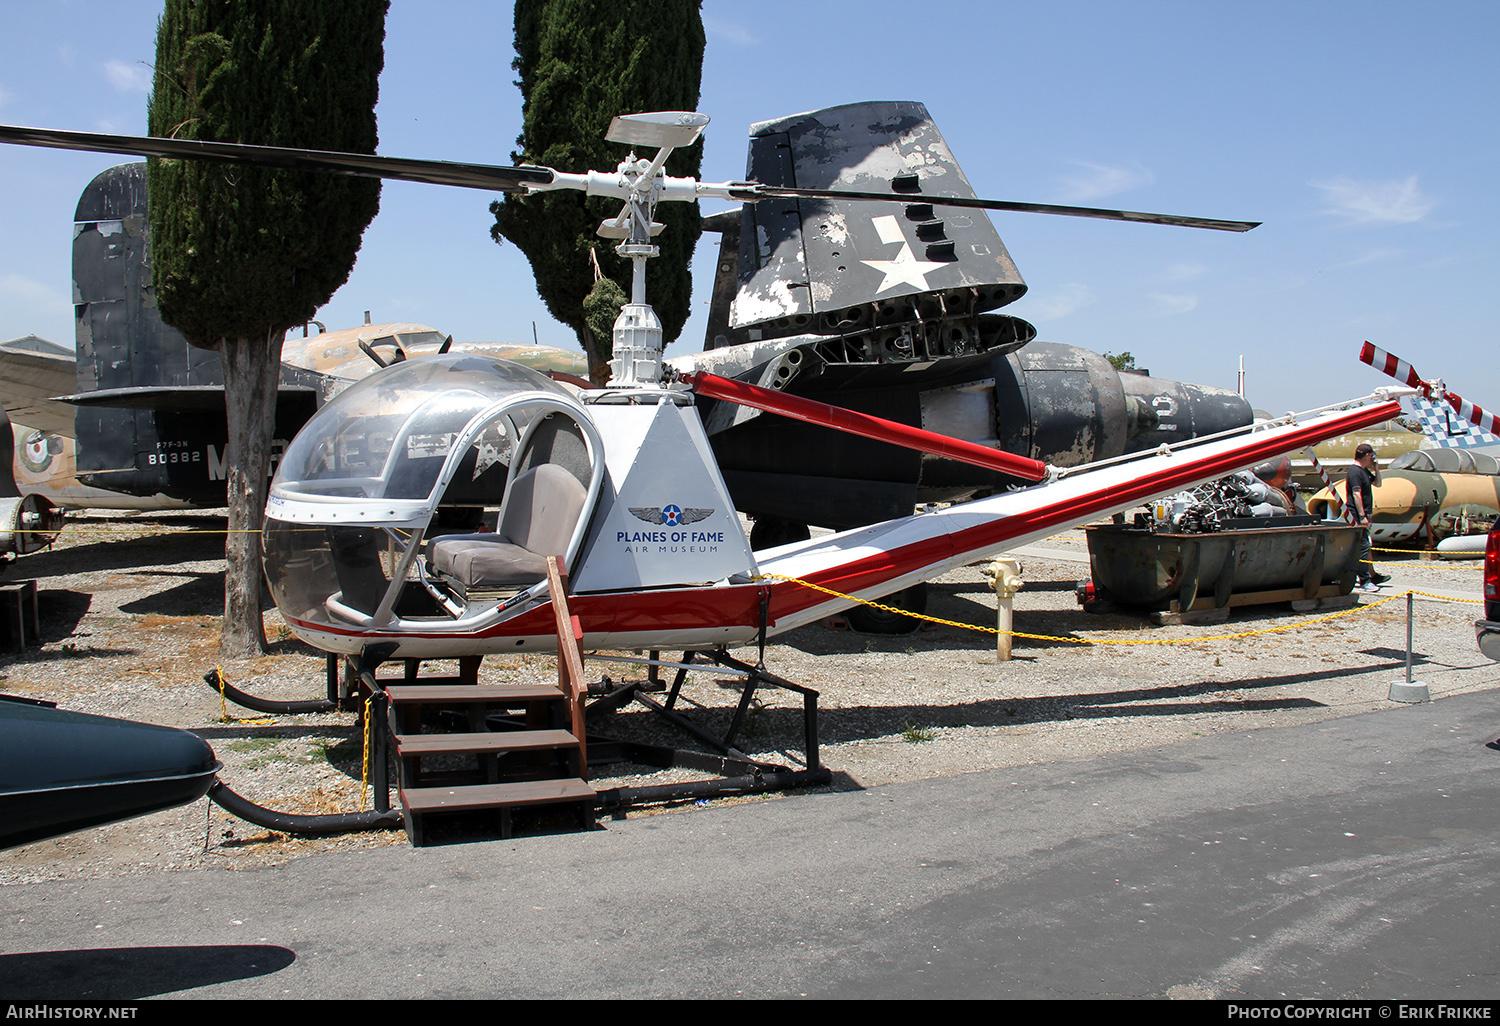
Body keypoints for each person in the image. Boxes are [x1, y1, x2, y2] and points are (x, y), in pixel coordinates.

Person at [1345, 442, 1391, 592]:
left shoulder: (1363, 471)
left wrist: (1376, 468)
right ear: (1366, 455)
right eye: (1372, 456)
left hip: (1364, 514)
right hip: (1357, 515)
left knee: (1367, 545)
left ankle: (1372, 574)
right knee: (1363, 546)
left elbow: (1377, 484)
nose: (1373, 458)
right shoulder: (1355, 472)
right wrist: (1362, 516)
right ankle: (1365, 580)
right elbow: (1356, 494)